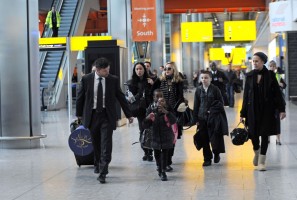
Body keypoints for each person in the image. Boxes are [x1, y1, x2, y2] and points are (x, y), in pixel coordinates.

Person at [76, 57, 134, 183]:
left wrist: (129, 115)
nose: (108, 72)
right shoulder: (86, 79)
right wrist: (79, 115)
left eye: (108, 70)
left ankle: (103, 170)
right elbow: (80, 97)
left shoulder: (113, 80)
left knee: (106, 144)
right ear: (97, 70)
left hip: (107, 116)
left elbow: (120, 97)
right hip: (92, 116)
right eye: (105, 71)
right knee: (96, 143)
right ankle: (97, 163)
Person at [240, 52, 286, 171]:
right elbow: (246, 96)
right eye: (253, 61)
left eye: (257, 61)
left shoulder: (270, 75)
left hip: (267, 110)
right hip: (252, 110)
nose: (254, 63)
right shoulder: (249, 76)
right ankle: (257, 151)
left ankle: (262, 161)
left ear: (263, 62)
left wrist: (282, 109)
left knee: (264, 135)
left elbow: (277, 93)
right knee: (253, 135)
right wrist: (242, 113)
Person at [151, 61, 184, 172]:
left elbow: (180, 97)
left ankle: (167, 161)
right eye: (165, 69)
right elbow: (153, 92)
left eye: (169, 68)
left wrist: (174, 110)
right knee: (159, 137)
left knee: (171, 138)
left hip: (172, 113)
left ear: (174, 69)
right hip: (159, 113)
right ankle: (160, 162)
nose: (166, 70)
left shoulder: (178, 81)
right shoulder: (160, 80)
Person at [193, 70, 228, 166]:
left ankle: (216, 153)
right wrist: (195, 119)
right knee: (204, 139)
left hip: (213, 118)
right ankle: (207, 158)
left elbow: (221, 103)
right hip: (202, 118)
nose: (204, 80)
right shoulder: (198, 90)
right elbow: (196, 105)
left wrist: (211, 110)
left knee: (215, 138)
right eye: (202, 78)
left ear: (210, 79)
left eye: (206, 78)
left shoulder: (215, 89)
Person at [144, 95, 176, 181]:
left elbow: (174, 121)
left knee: (164, 155)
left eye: (162, 101)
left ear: (165, 103)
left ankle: (163, 172)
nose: (160, 103)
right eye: (159, 101)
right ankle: (159, 167)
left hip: (167, 137)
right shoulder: (152, 112)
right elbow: (145, 125)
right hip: (155, 137)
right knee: (157, 155)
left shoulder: (168, 111)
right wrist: (148, 118)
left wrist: (166, 112)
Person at [126, 62, 153, 161]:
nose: (139, 71)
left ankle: (151, 151)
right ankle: (146, 151)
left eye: (141, 69)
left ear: (144, 70)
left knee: (150, 130)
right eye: (137, 69)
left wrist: (152, 84)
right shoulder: (131, 83)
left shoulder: (150, 80)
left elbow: (155, 94)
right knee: (143, 130)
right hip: (140, 110)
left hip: (150, 108)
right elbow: (131, 99)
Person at [269, 60, 287, 145]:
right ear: (269, 67)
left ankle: (278, 139)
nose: (272, 68)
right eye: (271, 66)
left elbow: (284, 85)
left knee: (277, 121)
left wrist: (280, 84)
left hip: (277, 102)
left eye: (273, 66)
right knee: (267, 120)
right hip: (268, 102)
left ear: (275, 67)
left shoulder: (278, 76)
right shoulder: (266, 76)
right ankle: (267, 138)